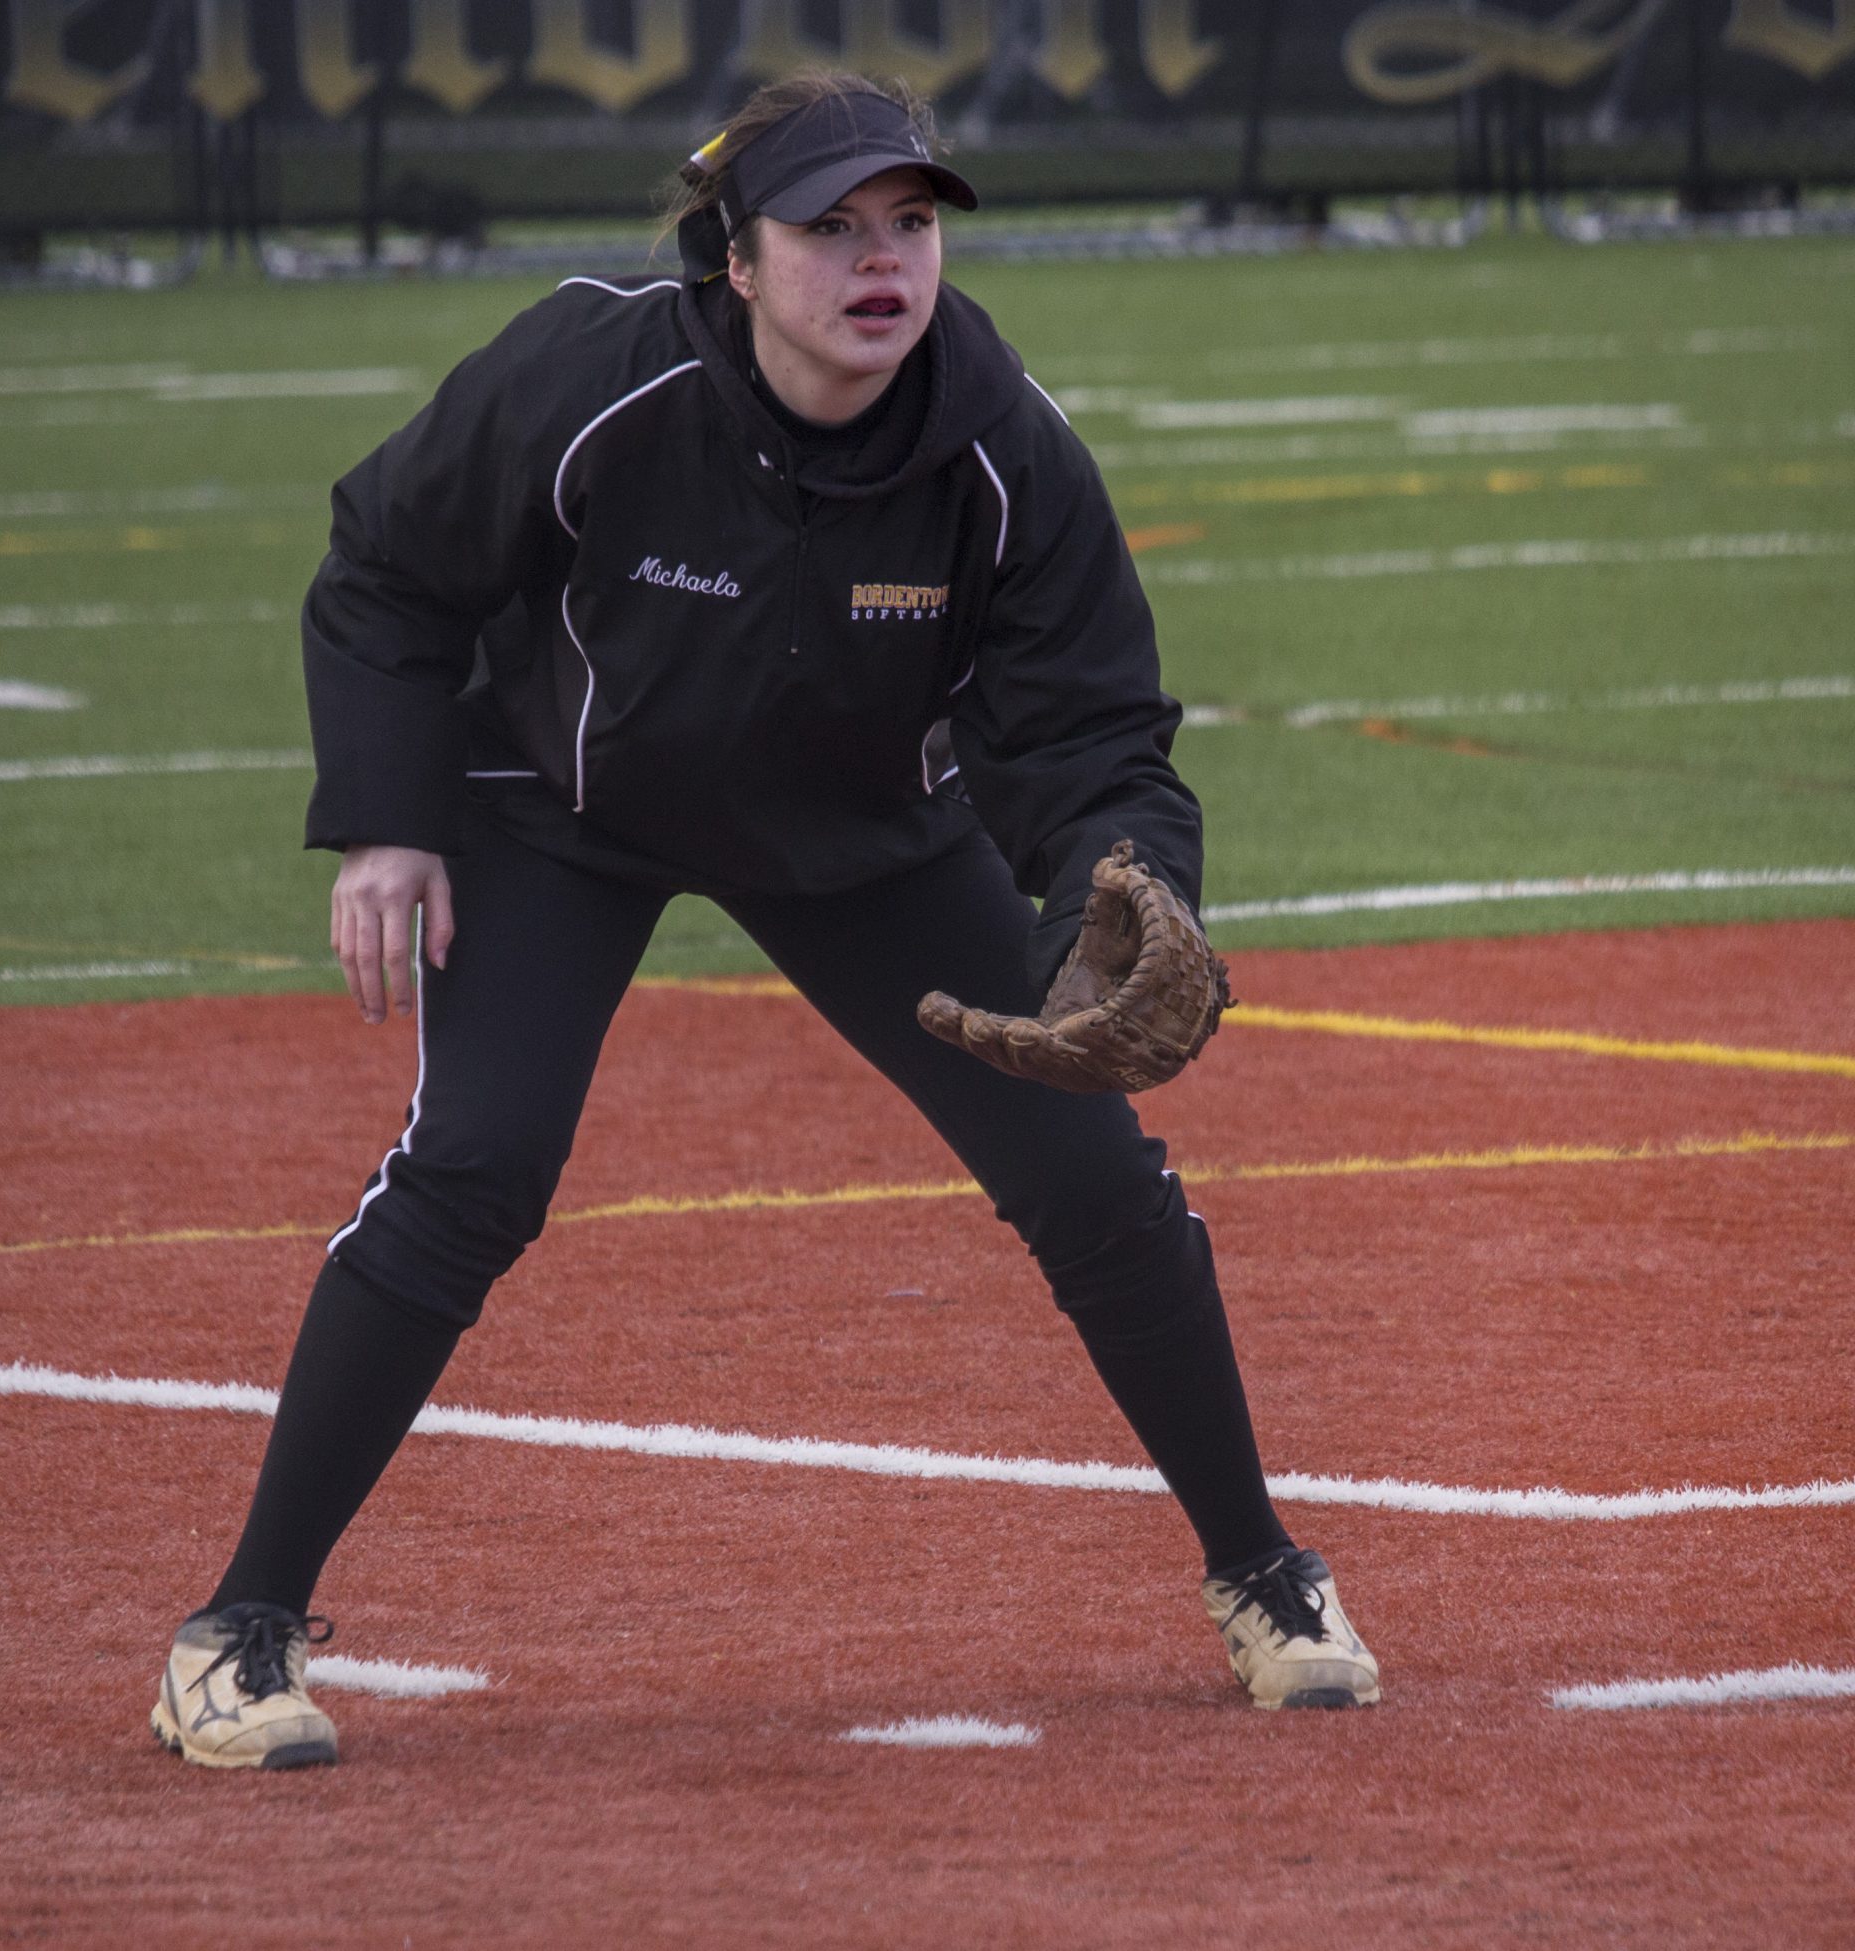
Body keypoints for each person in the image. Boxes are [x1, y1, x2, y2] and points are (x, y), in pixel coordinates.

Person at [150, 71, 1380, 1773]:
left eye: (911, 224)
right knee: (477, 1168)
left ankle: (1265, 1574)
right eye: (829, 228)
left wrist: (1130, 887)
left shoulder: (1000, 437)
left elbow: (1090, 728)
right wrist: (384, 815)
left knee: (1096, 1175)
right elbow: (385, 566)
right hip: (556, 812)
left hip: (865, 832)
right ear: (735, 258)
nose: (881, 262)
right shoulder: (595, 376)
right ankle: (238, 1631)